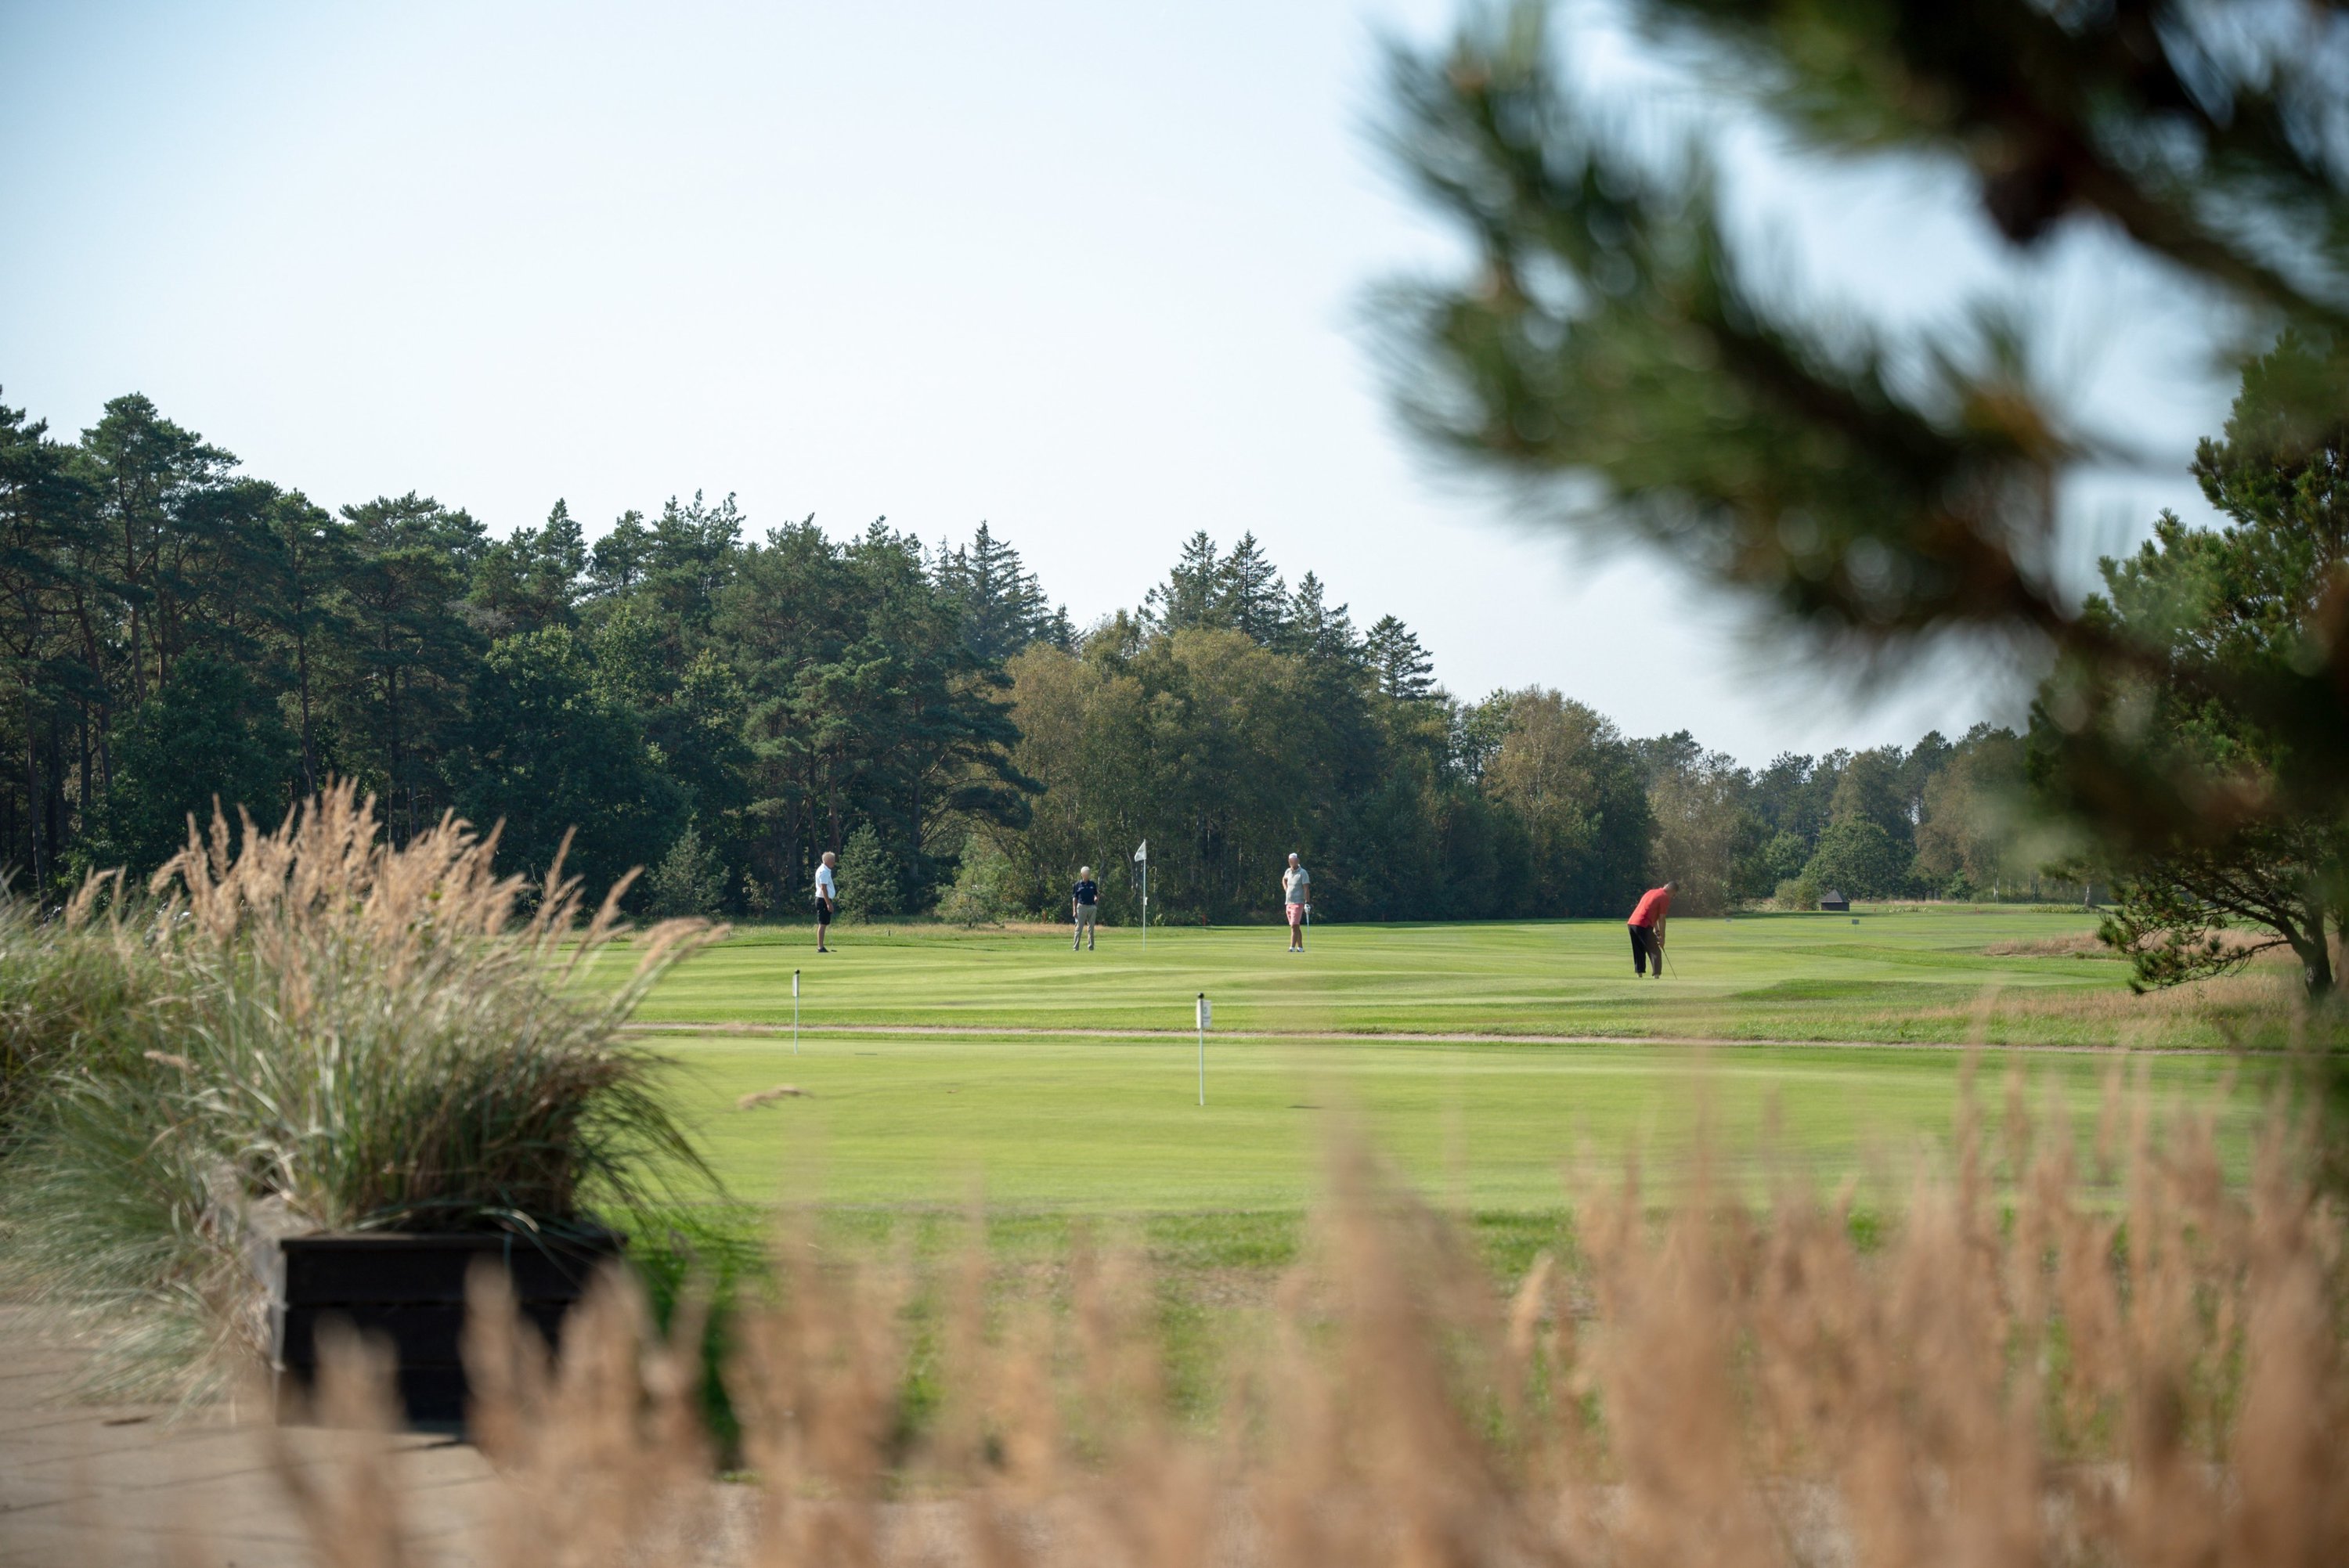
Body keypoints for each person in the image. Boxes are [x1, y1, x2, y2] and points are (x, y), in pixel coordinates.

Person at [1627, 880, 1673, 978]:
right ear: (1672, 891)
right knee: (1655, 950)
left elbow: (1652, 913)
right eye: (1673, 895)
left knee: (1639, 949)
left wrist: (1657, 932)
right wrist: (1663, 938)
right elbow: (1662, 919)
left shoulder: (1651, 892)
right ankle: (1656, 975)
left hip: (1632, 923)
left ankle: (1639, 974)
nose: (1672, 897)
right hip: (1643, 924)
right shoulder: (1665, 897)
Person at [1282, 853, 1311, 952]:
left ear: (1298, 861)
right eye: (1291, 861)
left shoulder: (1303, 872)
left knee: (1294, 925)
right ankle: (1300, 948)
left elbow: (1306, 888)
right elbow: (1284, 879)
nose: (1292, 862)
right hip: (1288, 902)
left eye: (1294, 861)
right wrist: (1285, 888)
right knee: (1295, 926)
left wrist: (1307, 902)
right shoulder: (1288, 871)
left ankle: (1292, 947)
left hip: (1298, 902)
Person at [814, 849, 838, 952]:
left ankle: (821, 946)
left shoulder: (826, 870)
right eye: (833, 860)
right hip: (823, 900)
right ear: (827, 861)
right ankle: (820, 947)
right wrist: (828, 904)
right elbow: (824, 888)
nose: (834, 862)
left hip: (824, 899)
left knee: (824, 923)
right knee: (822, 924)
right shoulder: (824, 871)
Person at [1071, 864, 1099, 950]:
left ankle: (1091, 947)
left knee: (1091, 929)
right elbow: (1074, 898)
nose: (1087, 876)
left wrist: (1096, 899)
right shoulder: (1078, 885)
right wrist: (1074, 911)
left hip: (1092, 907)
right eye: (1085, 874)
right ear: (1082, 874)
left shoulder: (1092, 884)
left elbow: (1096, 894)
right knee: (1079, 928)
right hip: (1081, 907)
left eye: (1088, 874)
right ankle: (1076, 947)